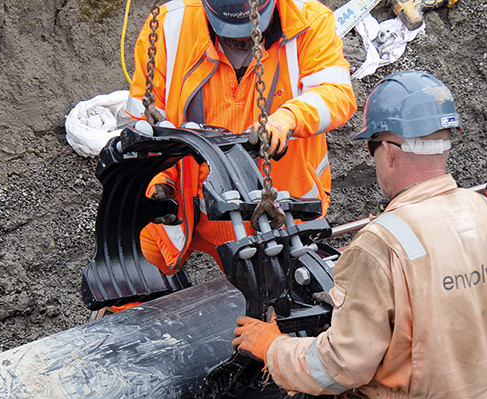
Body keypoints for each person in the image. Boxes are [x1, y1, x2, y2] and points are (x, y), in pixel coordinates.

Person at [198, 71, 487, 399]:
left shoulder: (382, 243)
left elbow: (337, 370)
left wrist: (270, 345)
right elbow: (481, 302)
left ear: (387, 149)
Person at [125, 0, 356, 275]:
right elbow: (144, 120)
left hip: (275, 212)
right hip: (186, 202)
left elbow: (336, 94)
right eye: (230, 31)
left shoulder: (310, 22)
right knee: (130, 273)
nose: (242, 38)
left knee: (274, 308)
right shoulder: (171, 24)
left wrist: (288, 119)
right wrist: (159, 178)